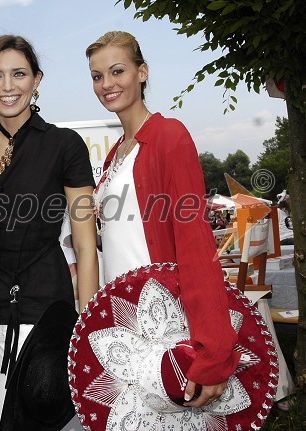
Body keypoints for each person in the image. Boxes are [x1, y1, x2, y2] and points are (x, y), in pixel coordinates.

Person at [86, 31, 240, 409]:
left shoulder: (169, 136)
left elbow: (194, 241)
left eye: (117, 70)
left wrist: (213, 350)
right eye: (96, 75)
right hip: (124, 321)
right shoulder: (113, 157)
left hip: (164, 320)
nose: (107, 84)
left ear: (142, 72)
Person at [0, 34, 98, 431]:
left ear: (37, 80)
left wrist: (87, 328)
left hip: (42, 314)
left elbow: (86, 246)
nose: (7, 86)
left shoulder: (64, 145)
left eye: (19, 74)